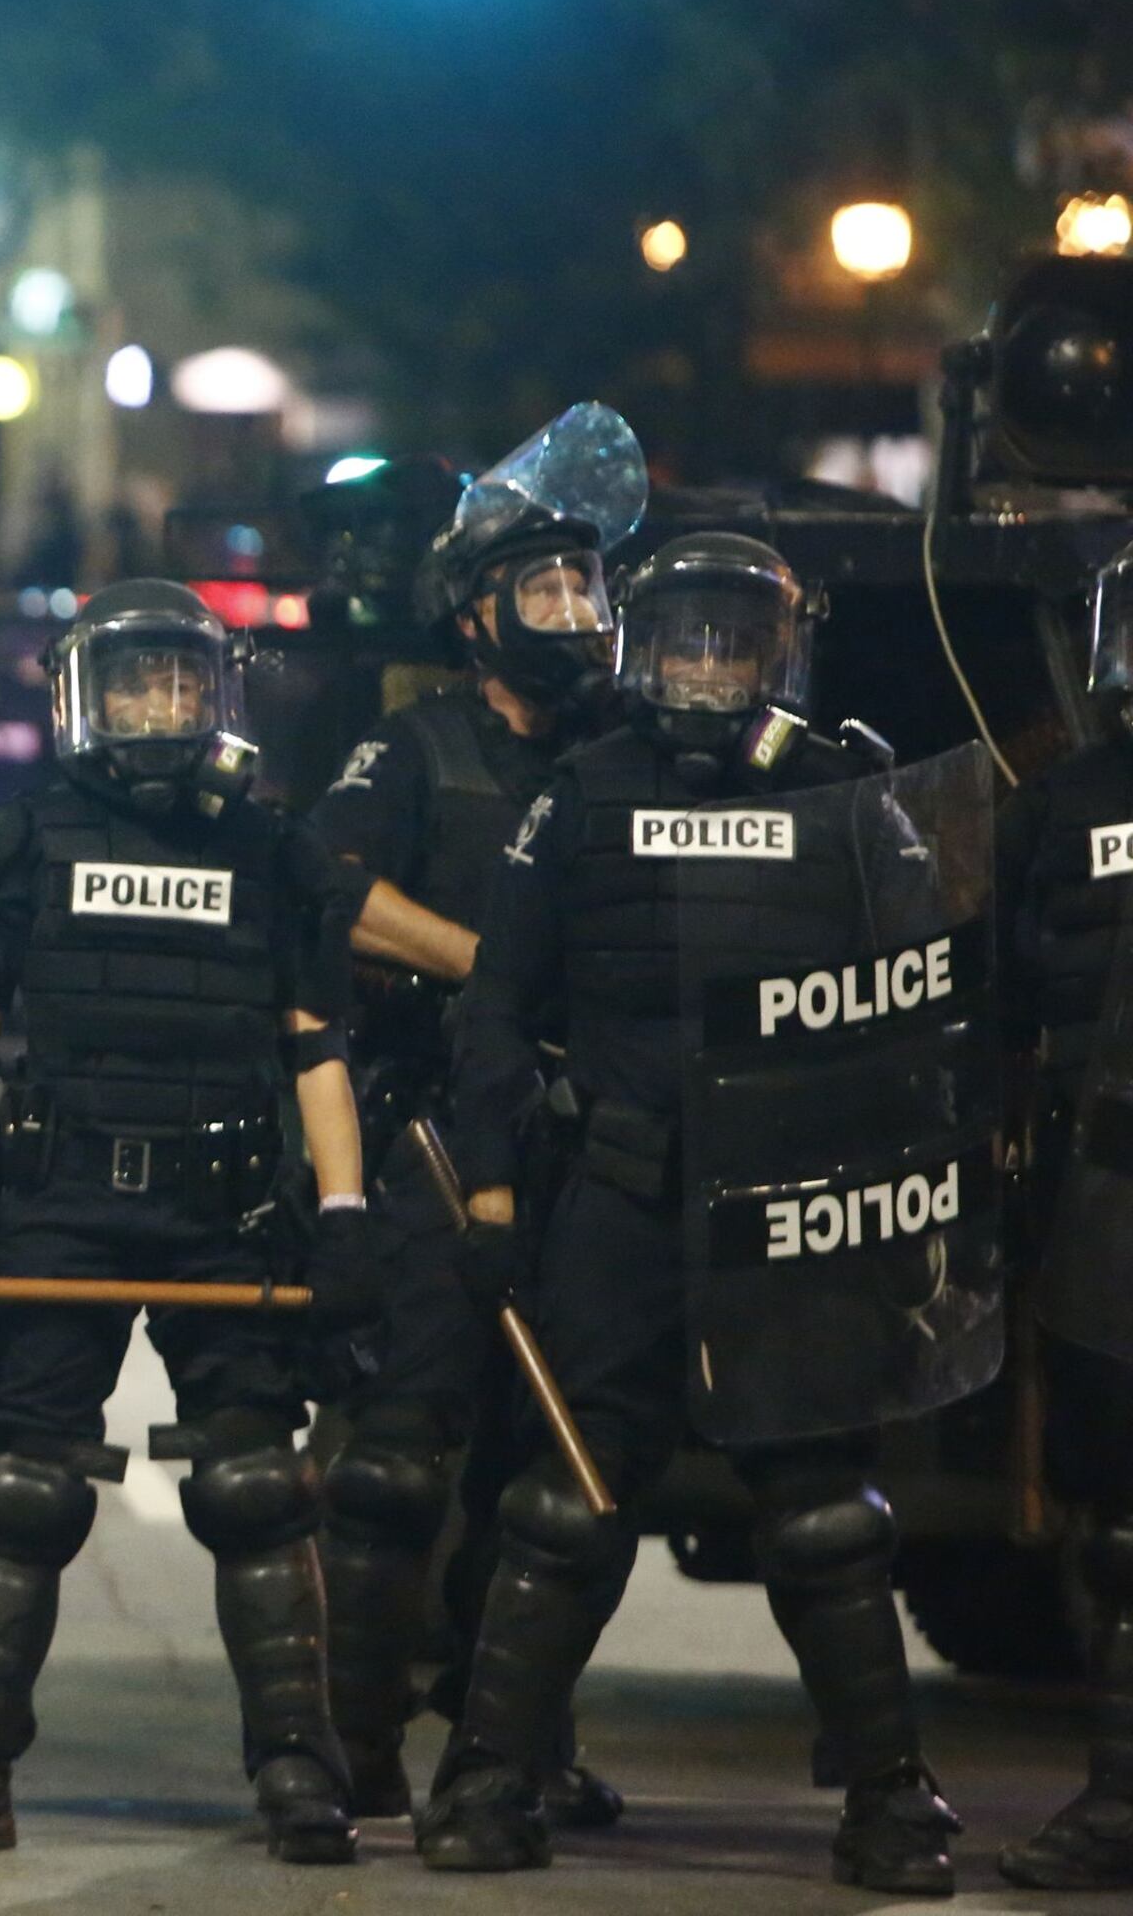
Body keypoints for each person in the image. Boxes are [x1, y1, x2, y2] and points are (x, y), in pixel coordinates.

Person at [414, 531, 979, 1891]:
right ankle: (492, 1778)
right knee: (570, 1500)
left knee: (825, 1512)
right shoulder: (582, 794)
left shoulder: (853, 791)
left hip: (792, 1209)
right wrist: (489, 1187)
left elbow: (929, 1007)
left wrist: (912, 1190)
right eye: (686, 640)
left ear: (781, 652)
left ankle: (891, 1799)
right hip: (621, 1194)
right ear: (641, 649)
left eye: (739, 641)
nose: (711, 668)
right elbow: (497, 1010)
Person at [0, 577, 370, 1866]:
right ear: (82, 699)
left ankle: (297, 1768)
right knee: (20, 1493)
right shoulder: (22, 839)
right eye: (135, 681)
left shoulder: (277, 850)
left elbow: (315, 1045)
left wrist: (345, 1211)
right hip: (63, 1200)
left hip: (231, 1206)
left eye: (181, 680)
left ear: (219, 695)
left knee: (261, 1489)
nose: (160, 704)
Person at [302, 413, 637, 1823]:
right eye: (543, 590)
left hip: (580, 1154)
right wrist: (488, 972)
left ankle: (512, 1746)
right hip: (434, 1141)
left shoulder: (624, 753)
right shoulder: (413, 747)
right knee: (394, 1461)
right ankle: (359, 1746)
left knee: (555, 1469)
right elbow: (327, 894)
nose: (574, 615)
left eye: (586, 588)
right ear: (475, 613)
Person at [1006, 532, 1133, 1890]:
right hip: (1106, 1191)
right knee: (1119, 1518)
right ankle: (1120, 1801)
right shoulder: (1062, 800)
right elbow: (995, 1003)